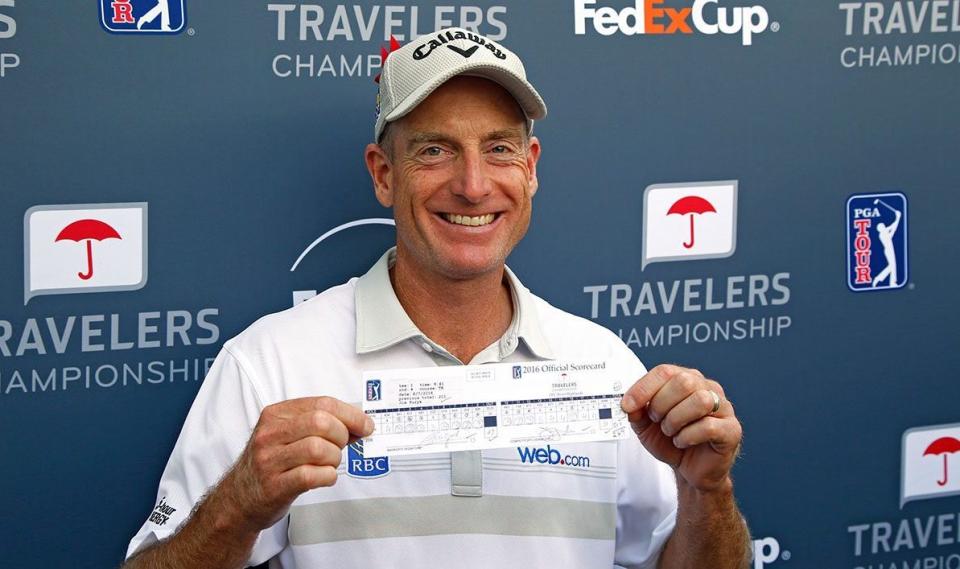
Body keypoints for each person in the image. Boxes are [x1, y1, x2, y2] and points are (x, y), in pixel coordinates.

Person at [123, 27, 749, 569]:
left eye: (499, 148)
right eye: (435, 150)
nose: (473, 185)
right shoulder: (269, 365)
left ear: (530, 168)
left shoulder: (607, 366)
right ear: (383, 174)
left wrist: (707, 493)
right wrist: (237, 504)